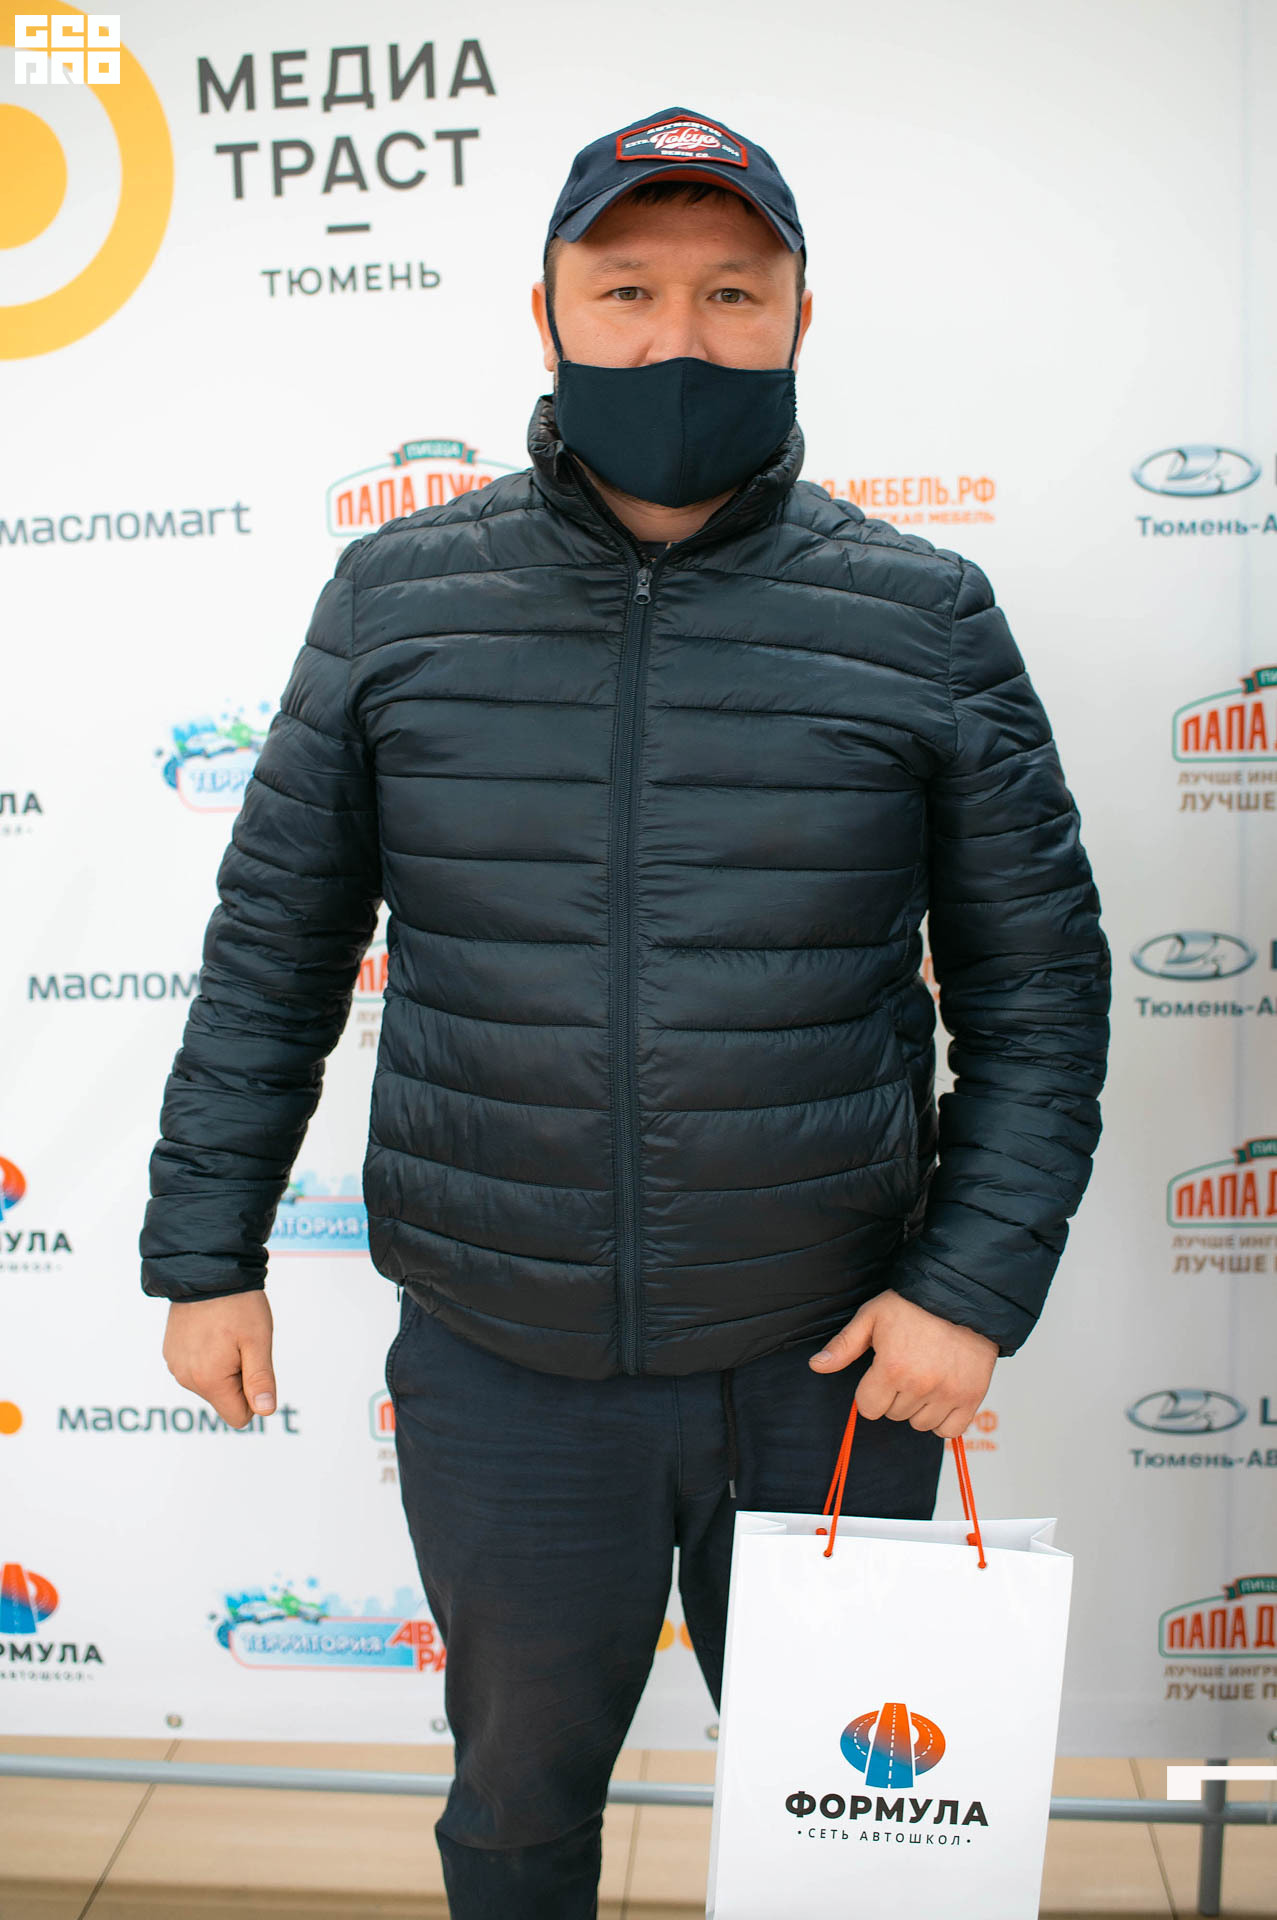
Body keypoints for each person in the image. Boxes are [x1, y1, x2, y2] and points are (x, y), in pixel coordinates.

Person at [141, 105, 1111, 1919]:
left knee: (854, 1832)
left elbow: (1039, 992)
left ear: (800, 317)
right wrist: (206, 1252)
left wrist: (967, 1290)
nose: (680, 337)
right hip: (501, 1366)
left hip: (830, 1369)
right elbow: (274, 945)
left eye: (732, 293)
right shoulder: (399, 597)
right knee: (514, 1812)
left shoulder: (919, 615)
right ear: (547, 314)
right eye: (628, 290)